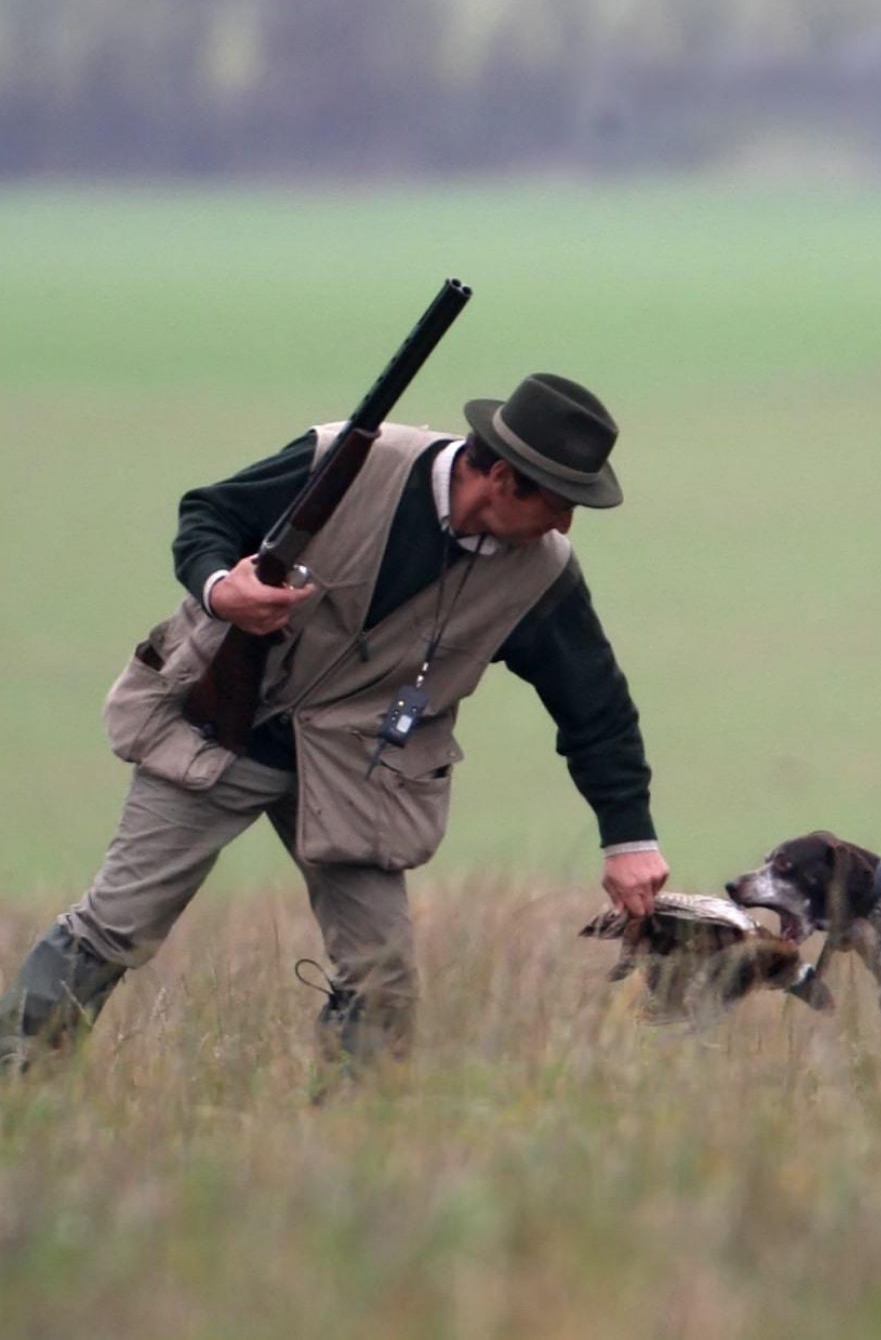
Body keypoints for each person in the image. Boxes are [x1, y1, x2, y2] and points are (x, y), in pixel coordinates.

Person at [0, 372, 669, 1074]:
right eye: (561, 504)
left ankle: (351, 1125)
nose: (564, 525)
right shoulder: (342, 461)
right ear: (502, 477)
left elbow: (596, 707)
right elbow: (208, 517)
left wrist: (628, 835)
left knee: (381, 979)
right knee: (114, 927)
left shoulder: (541, 573)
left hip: (356, 775)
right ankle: (16, 1081)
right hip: (214, 732)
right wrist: (223, 590)